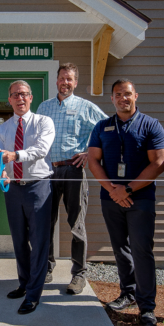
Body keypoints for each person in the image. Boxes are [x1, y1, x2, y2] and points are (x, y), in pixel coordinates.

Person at [87, 80, 164, 326]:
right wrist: (113, 189)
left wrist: (128, 188)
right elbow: (93, 160)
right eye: (118, 94)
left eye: (128, 94)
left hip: (140, 198)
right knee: (120, 247)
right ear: (111, 99)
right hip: (111, 198)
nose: (123, 98)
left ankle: (147, 307)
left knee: (142, 250)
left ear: (136, 96)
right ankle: (128, 293)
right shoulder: (102, 126)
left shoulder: (151, 125)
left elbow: (159, 163)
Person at [36, 63, 108, 293]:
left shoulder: (85, 107)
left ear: (76, 83)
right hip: (47, 171)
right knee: (45, 222)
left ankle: (78, 274)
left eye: (70, 79)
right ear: (56, 80)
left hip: (73, 171)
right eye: (62, 78)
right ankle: (46, 268)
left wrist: (90, 153)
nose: (65, 83)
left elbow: (108, 129)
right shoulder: (43, 107)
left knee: (76, 223)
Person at [0, 80, 55, 314]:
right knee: (18, 240)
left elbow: (42, 149)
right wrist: (0, 174)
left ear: (31, 98)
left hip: (38, 187)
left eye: (24, 94)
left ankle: (33, 293)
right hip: (13, 189)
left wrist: (15, 155)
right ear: (9, 99)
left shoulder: (43, 122)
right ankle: (24, 283)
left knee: (38, 242)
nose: (20, 98)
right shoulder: (3, 128)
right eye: (15, 95)